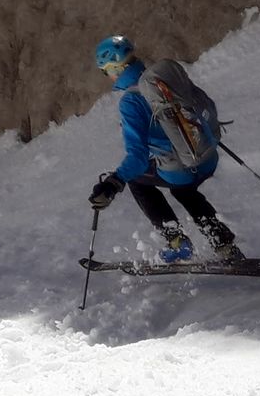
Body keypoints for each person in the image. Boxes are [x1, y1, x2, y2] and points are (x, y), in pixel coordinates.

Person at [86, 35, 246, 265]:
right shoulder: (162, 79)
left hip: (181, 169)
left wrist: (113, 182)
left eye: (105, 71)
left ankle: (176, 242)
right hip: (206, 157)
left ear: (116, 68)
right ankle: (224, 244)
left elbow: (138, 158)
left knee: (139, 181)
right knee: (184, 190)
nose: (107, 77)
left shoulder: (131, 102)